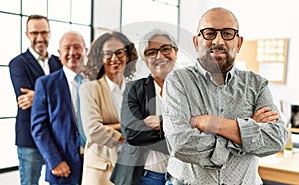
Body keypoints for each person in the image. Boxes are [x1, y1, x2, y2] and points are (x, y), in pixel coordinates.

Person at [163, 7, 289, 185]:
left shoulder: (257, 85)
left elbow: (276, 139)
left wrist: (212, 123)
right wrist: (246, 133)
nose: (218, 40)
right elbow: (181, 143)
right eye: (209, 33)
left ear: (239, 43)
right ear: (196, 42)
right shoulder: (178, 81)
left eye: (228, 33)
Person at [110, 29, 178, 185]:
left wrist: (162, 122)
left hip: (180, 177)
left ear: (176, 52)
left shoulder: (190, 89)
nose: (159, 56)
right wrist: (177, 135)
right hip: (144, 177)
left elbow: (199, 129)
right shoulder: (134, 89)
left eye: (165, 49)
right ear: (145, 59)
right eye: (151, 52)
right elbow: (132, 133)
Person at [9, 14, 62, 185]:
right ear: (27, 34)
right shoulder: (18, 63)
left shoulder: (59, 63)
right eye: (34, 33)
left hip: (57, 136)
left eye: (44, 32)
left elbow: (68, 95)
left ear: (50, 33)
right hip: (29, 137)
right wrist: (56, 95)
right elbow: (25, 100)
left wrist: (38, 95)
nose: (40, 38)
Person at [79, 31, 138, 185]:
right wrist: (126, 132)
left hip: (131, 169)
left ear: (127, 55)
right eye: (108, 54)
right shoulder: (89, 89)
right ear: (100, 58)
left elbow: (146, 126)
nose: (114, 58)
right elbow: (93, 131)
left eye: (119, 52)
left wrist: (111, 126)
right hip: (101, 170)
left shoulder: (136, 90)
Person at [30, 31, 87, 185]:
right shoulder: (45, 84)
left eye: (77, 47)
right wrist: (54, 161)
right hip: (63, 166)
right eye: (67, 48)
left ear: (85, 50)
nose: (72, 53)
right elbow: (38, 128)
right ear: (59, 54)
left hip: (94, 165)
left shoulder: (95, 82)